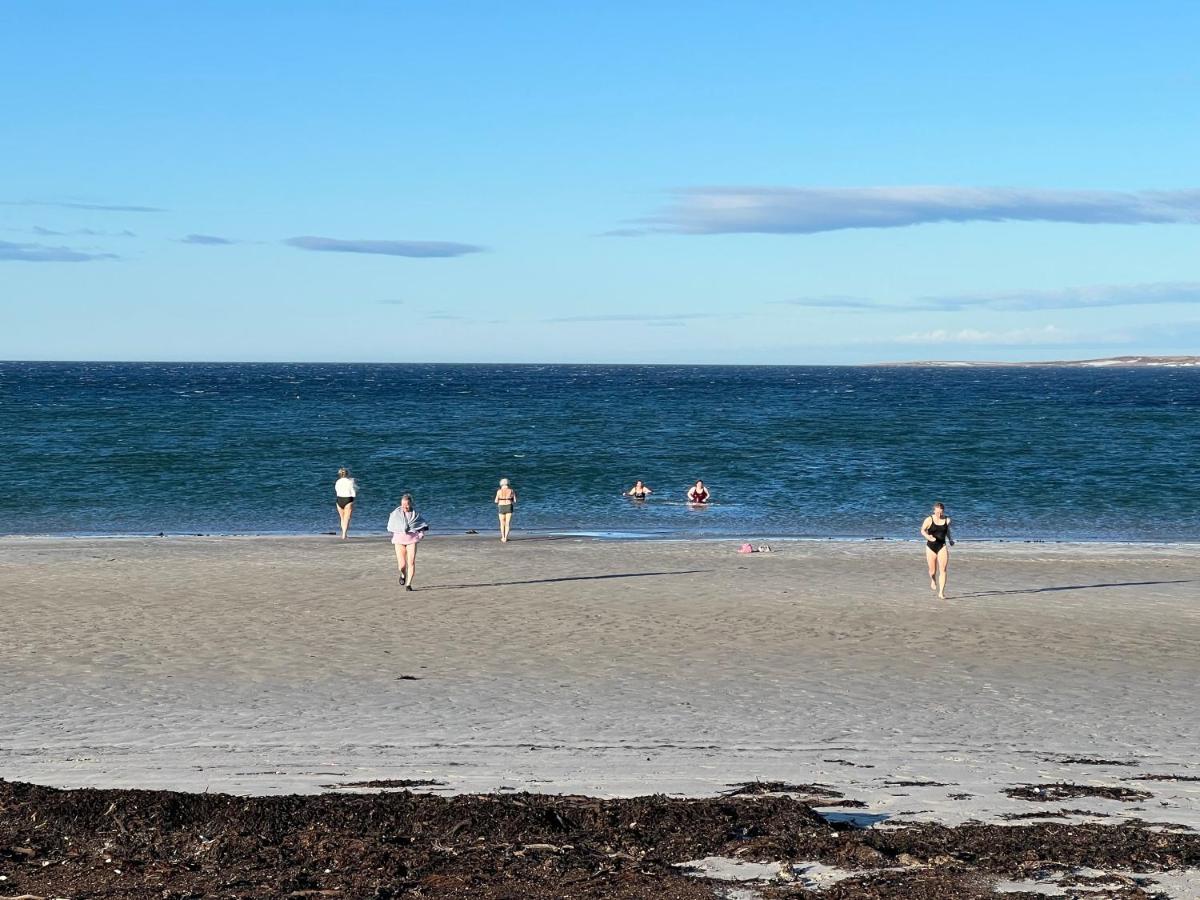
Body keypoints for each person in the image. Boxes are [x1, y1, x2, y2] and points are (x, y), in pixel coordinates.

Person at [387, 494, 428, 591]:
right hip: (399, 540)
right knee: (402, 565)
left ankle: (408, 584)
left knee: (411, 562)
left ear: (411, 504)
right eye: (403, 504)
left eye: (407, 504)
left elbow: (421, 525)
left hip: (412, 540)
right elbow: (391, 525)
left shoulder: (415, 515)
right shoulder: (395, 514)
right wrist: (395, 532)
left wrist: (421, 534)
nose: (405, 506)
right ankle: (402, 574)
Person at [921, 501, 954, 600]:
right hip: (930, 547)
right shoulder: (929, 519)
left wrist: (950, 539)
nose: (939, 514)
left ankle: (941, 592)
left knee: (943, 570)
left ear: (943, 511)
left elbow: (947, 530)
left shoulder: (947, 520)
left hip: (942, 546)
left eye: (941, 512)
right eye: (937, 512)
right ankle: (933, 580)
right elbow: (922, 530)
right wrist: (928, 537)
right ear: (934, 510)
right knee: (932, 571)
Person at [334, 468, 357, 539]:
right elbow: (353, 493)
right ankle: (344, 534)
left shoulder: (337, 481)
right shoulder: (350, 481)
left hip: (339, 499)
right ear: (347, 474)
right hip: (348, 499)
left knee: (342, 518)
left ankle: (343, 533)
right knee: (347, 518)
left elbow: (336, 491)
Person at [494, 478, 517, 542]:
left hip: (501, 506)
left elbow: (495, 501)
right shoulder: (511, 490)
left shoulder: (499, 491)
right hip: (509, 506)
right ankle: (506, 538)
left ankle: (503, 537)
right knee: (507, 523)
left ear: (501, 483)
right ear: (508, 483)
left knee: (502, 523)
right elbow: (515, 500)